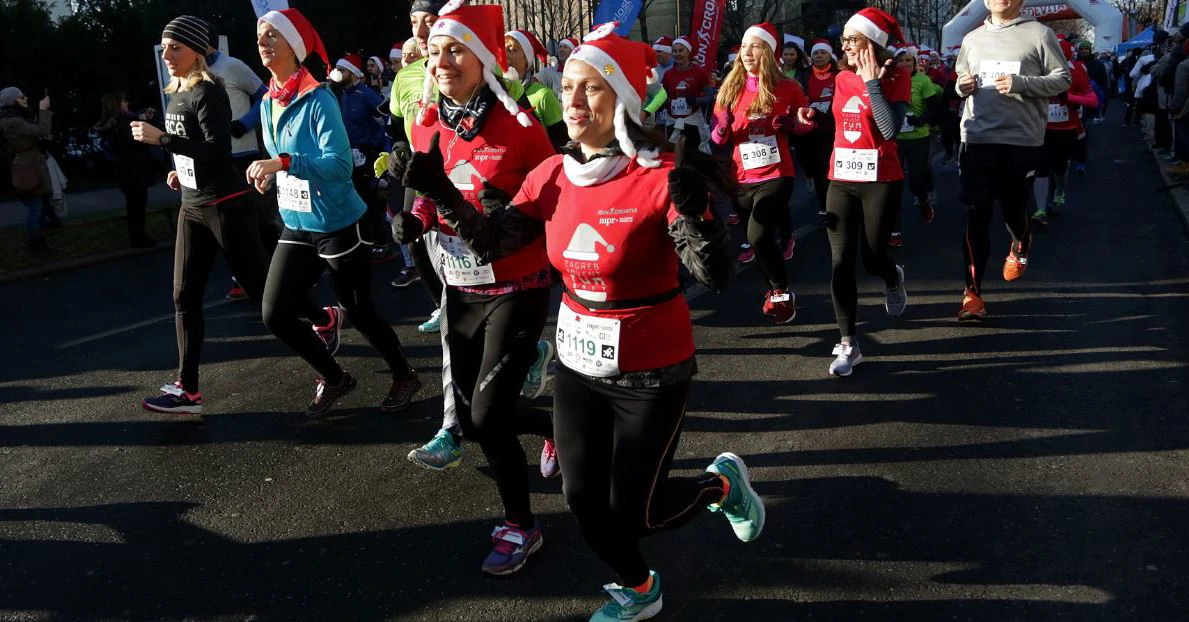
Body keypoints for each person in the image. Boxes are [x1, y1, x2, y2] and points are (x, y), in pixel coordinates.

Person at [418, 25, 764, 620]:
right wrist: (443, 196)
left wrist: (696, 214)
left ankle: (722, 486)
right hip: (579, 365)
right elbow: (496, 243)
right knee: (582, 502)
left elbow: (712, 275)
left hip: (652, 370)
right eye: (568, 87)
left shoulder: (657, 176)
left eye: (592, 88)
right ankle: (640, 588)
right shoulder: (553, 174)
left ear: (623, 97)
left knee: (637, 514)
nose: (574, 101)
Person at [394, 0, 556, 575]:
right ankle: (556, 426)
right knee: (469, 415)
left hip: (517, 286)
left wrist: (485, 208)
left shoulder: (520, 127)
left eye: (456, 51)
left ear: (485, 59)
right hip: (460, 287)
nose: (441, 62)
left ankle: (520, 525)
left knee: (487, 417)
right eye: (435, 52)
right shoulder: (429, 120)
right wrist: (413, 218)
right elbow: (427, 189)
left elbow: (541, 210)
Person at [132, 15, 328, 414]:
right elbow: (194, 149)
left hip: (226, 206)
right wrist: (180, 171)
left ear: (196, 51)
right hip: (193, 205)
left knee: (264, 296)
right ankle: (187, 390)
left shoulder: (209, 91)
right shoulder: (177, 91)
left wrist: (163, 139)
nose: (167, 55)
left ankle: (330, 360)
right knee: (184, 296)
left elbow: (218, 150)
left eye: (176, 48)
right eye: (165, 47)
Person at [248, 8, 421, 416]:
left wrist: (285, 163)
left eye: (273, 34)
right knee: (274, 313)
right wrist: (271, 175)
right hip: (296, 221)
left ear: (295, 46)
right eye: (260, 35)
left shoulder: (319, 99)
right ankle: (335, 377)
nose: (263, 41)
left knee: (359, 310)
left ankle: (404, 374)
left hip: (338, 222)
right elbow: (280, 160)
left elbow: (340, 166)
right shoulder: (268, 101)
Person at [953, 0, 1069, 321]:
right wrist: (961, 86)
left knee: (1013, 211)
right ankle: (972, 294)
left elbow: (1062, 79)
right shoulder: (972, 38)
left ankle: (1020, 243)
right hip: (976, 138)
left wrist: (1023, 84)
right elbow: (961, 76)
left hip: (1021, 141)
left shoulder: (1039, 34)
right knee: (976, 212)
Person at [821, 8, 910, 377]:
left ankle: (892, 278)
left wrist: (873, 82)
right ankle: (849, 343)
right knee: (841, 261)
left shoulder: (897, 76)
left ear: (872, 43)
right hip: (841, 178)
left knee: (873, 260)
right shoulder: (841, 77)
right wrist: (811, 119)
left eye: (853, 39)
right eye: (844, 39)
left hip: (881, 179)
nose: (845, 46)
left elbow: (889, 130)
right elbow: (842, 122)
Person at [710, 22, 811, 325]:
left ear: (768, 52)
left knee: (758, 233)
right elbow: (717, 140)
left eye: (755, 46)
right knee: (758, 241)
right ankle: (776, 290)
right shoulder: (730, 89)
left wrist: (793, 125)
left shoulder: (788, 88)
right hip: (741, 177)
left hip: (777, 173)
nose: (748, 52)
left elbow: (806, 123)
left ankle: (781, 292)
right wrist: (722, 127)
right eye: (744, 47)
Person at [204, 26, 274, 302]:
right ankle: (275, 267)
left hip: (242, 153)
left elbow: (265, 95)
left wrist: (245, 123)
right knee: (244, 219)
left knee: (244, 219)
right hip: (215, 156)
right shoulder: (193, 73)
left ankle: (254, 275)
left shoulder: (232, 66)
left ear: (205, 43)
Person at [330, 53, 395, 263]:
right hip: (349, 155)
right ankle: (366, 242)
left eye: (342, 70)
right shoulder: (340, 95)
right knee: (356, 199)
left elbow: (388, 121)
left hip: (368, 155)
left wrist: (375, 145)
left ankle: (382, 244)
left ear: (353, 73)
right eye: (337, 70)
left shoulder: (367, 94)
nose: (337, 74)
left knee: (371, 201)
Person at [1032, 38, 1097, 226]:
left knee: (1060, 167)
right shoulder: (1037, 72)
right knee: (1041, 168)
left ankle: (1059, 191)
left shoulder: (1077, 71)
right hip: (1041, 129)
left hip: (1066, 130)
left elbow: (1092, 100)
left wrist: (1069, 97)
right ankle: (1040, 210)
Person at [890, 43, 942, 246]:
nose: (904, 64)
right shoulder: (890, 80)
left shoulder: (923, 81)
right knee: (892, 185)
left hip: (918, 138)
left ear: (914, 62)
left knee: (916, 181)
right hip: (895, 140)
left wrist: (920, 120)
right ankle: (894, 230)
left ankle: (923, 200)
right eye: (900, 61)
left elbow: (934, 109)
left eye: (908, 60)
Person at [95, 92, 156, 248]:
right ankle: (138, 236)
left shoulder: (114, 123)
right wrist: (143, 123)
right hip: (134, 170)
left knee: (135, 204)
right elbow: (137, 141)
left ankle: (137, 235)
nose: (127, 103)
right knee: (137, 205)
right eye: (123, 101)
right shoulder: (123, 123)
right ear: (116, 104)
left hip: (127, 171)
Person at [0, 87, 53, 252]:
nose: (26, 98)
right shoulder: (14, 121)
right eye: (22, 96)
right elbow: (42, 131)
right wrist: (43, 109)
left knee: (38, 204)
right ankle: (36, 243)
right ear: (12, 101)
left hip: (28, 164)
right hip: (30, 167)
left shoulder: (11, 119)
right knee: (35, 207)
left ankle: (40, 237)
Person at [798, 39, 839, 221]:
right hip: (811, 130)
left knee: (828, 167)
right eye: (816, 53)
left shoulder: (839, 76)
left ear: (830, 56)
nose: (819, 55)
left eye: (823, 52)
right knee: (815, 168)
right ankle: (824, 201)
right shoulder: (804, 76)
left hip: (832, 129)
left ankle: (829, 205)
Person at [505, 28, 568, 148]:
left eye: (512, 50)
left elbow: (562, 144)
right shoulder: (494, 95)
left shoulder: (543, 95)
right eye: (502, 50)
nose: (505, 55)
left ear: (526, 60)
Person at [661, 36, 714, 144]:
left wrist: (696, 101)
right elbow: (661, 96)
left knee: (693, 152)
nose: (677, 54)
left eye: (681, 51)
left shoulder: (699, 72)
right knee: (672, 152)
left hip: (693, 121)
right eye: (674, 51)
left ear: (688, 52)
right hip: (672, 121)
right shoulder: (668, 74)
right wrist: (667, 103)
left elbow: (710, 96)